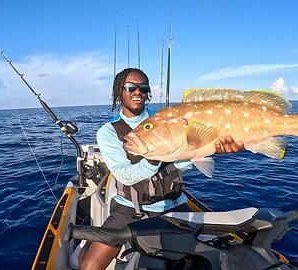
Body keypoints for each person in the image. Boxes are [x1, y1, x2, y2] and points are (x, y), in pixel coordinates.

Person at [78, 68, 244, 270]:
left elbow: (180, 165)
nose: (137, 92)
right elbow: (124, 175)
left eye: (143, 88)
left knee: (210, 259)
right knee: (89, 266)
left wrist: (211, 149)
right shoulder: (108, 132)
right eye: (131, 87)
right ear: (118, 92)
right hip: (130, 207)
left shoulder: (167, 120)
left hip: (173, 204)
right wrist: (155, 156)